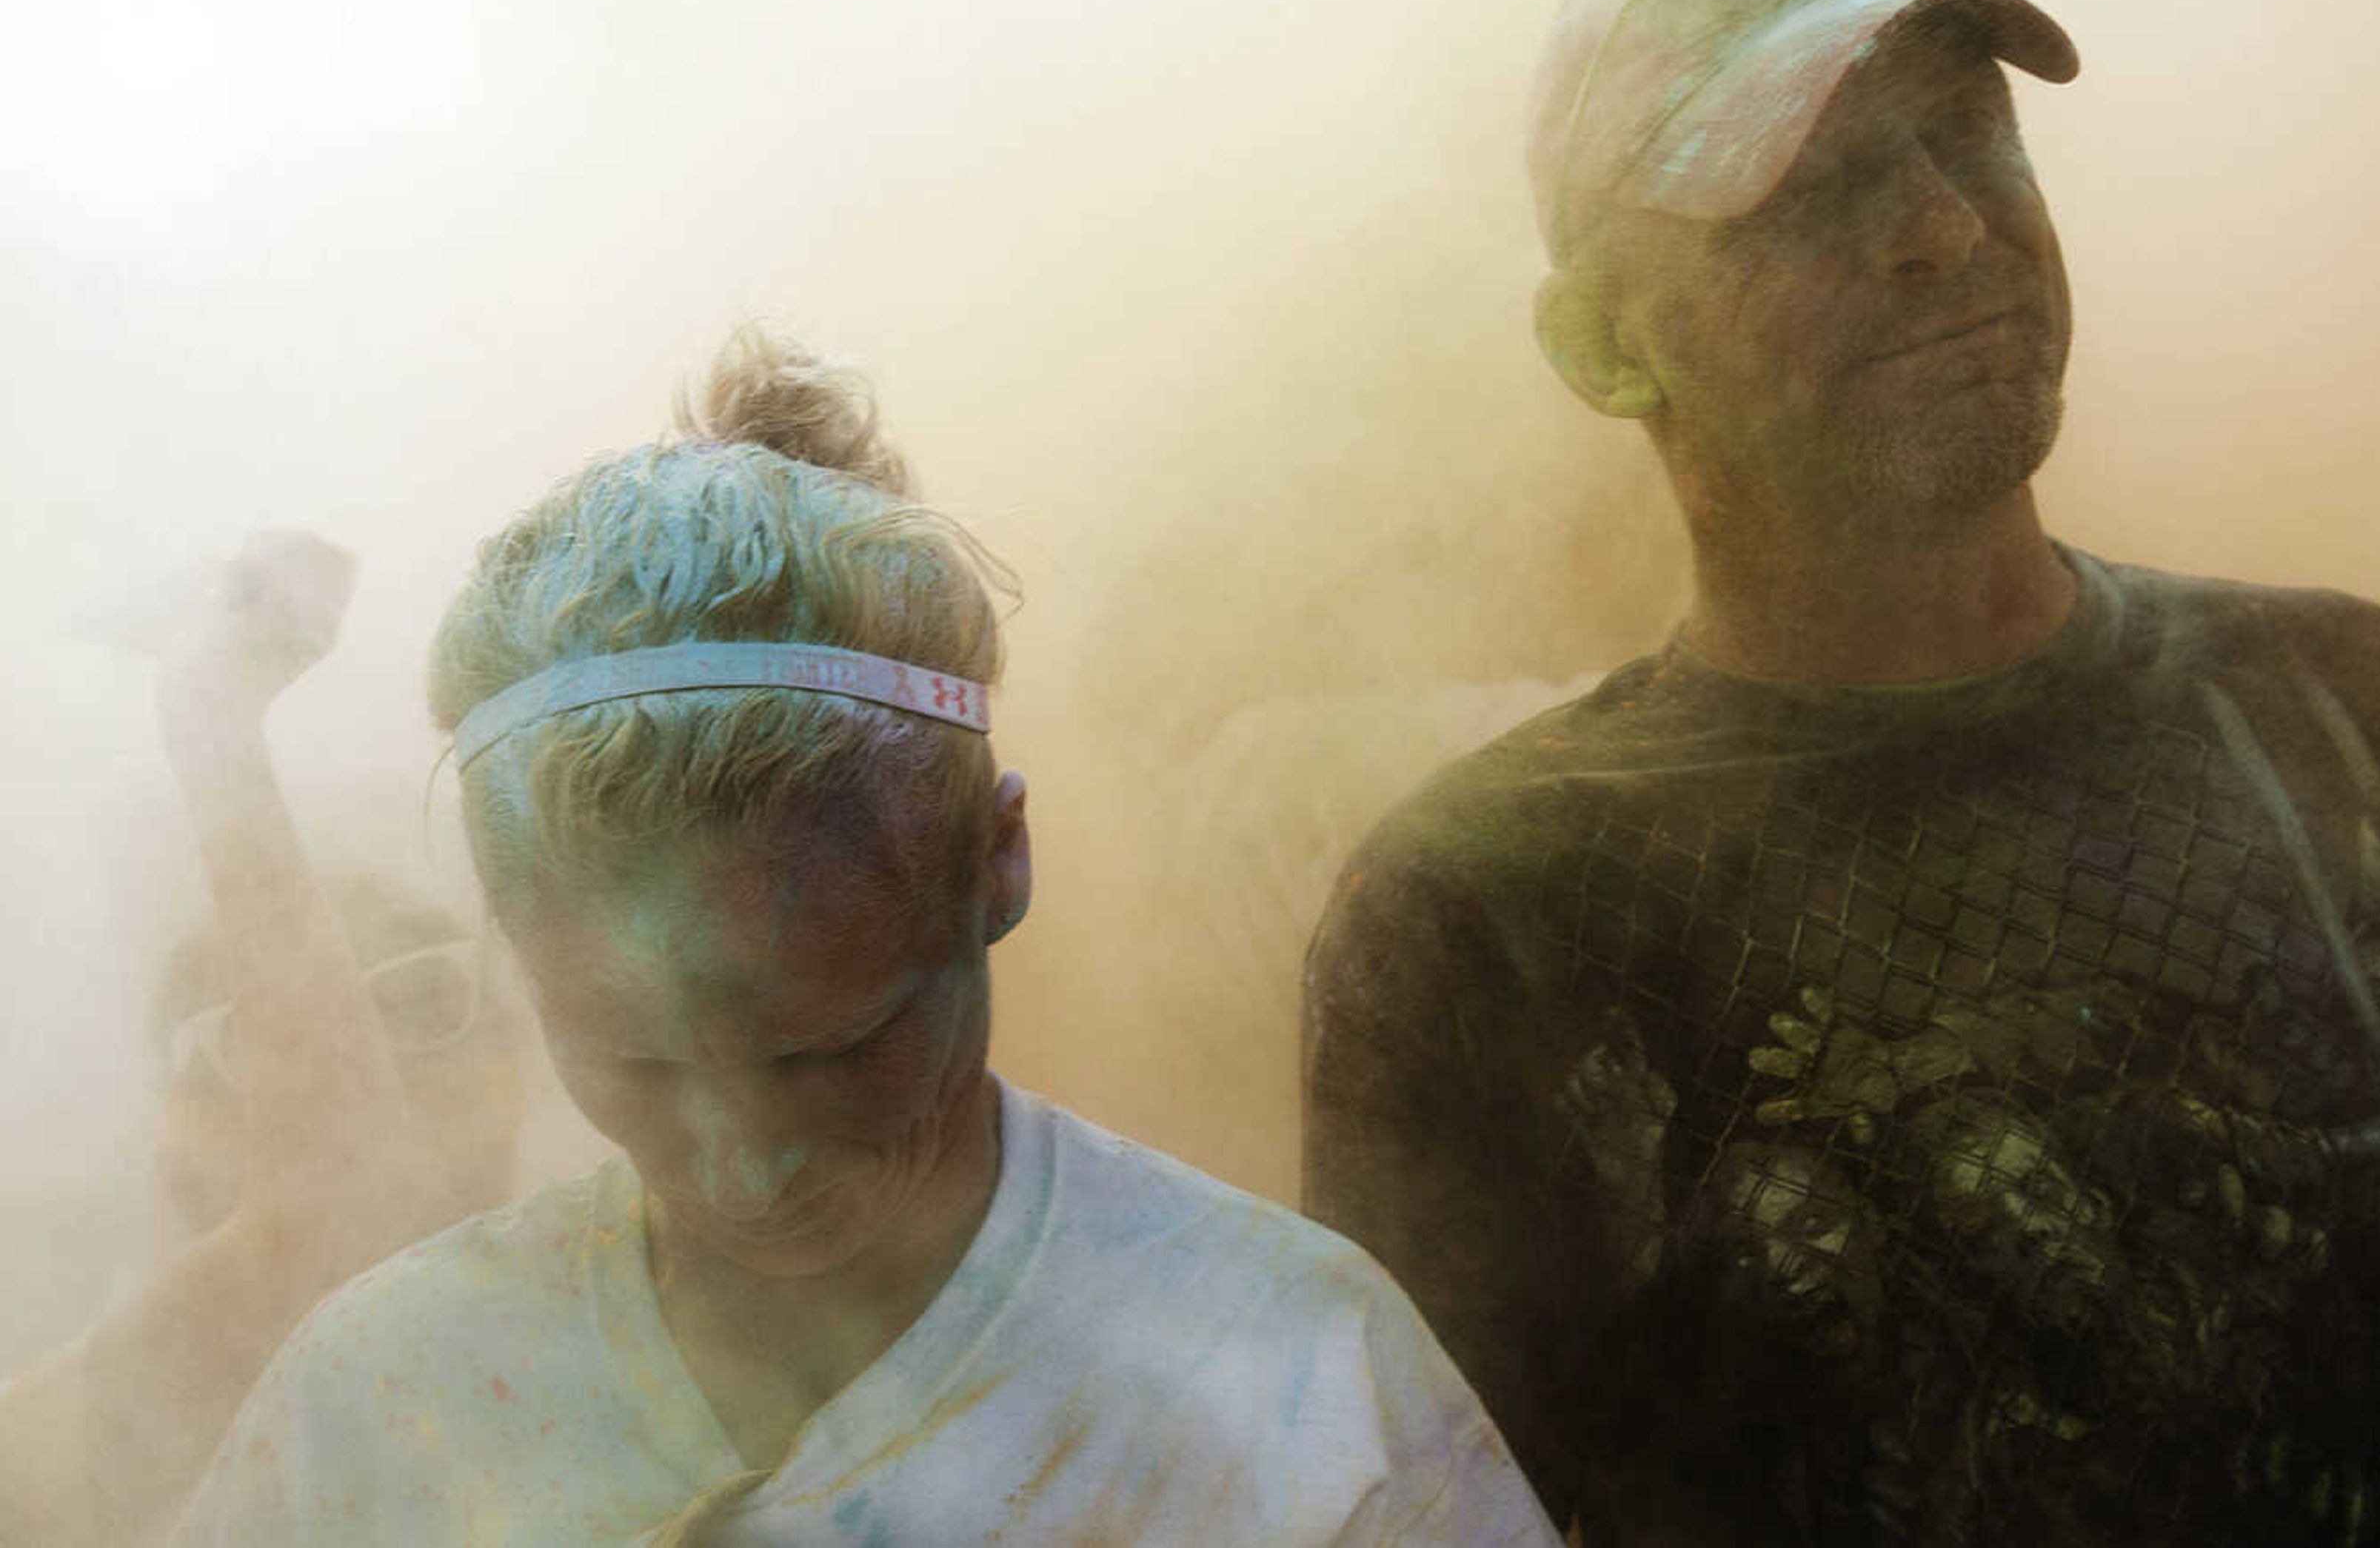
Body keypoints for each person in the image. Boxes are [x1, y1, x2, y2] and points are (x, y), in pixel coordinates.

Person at [1300, 0, 2380, 1541]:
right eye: (1802, 186)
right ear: (1599, 340)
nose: (1942, 227)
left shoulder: (2370, 715)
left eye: (1968, 135)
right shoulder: (1486, 916)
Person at [174, 329, 1556, 1545]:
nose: (745, 1161)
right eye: (632, 1063)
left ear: (998, 864)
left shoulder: (1296, 1388)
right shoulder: (385, 1409)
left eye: (830, 1050)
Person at [0, 532, 527, 1545]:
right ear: (168, 1125)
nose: (371, 1085)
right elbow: (338, 1228)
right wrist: (212, 725)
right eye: (265, 1033)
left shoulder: (670, 1362)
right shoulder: (51, 1448)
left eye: (421, 1005)